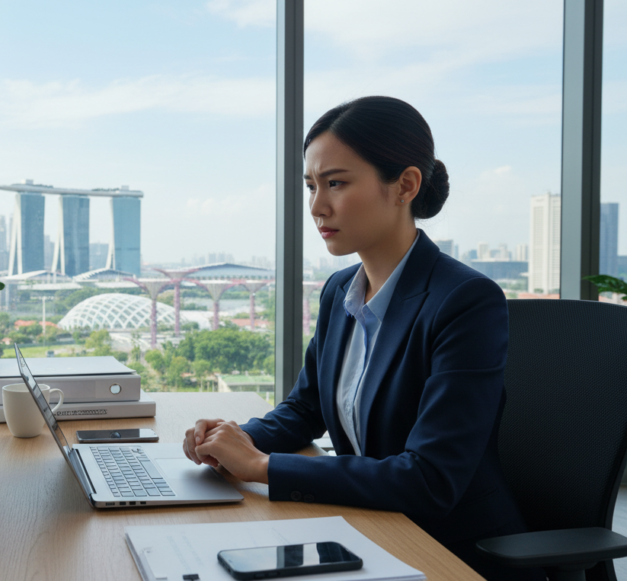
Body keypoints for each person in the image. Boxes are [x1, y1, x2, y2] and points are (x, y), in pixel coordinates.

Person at [182, 96, 541, 581]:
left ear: (405, 185)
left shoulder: (465, 300)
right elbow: (306, 408)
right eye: (311, 186)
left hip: (452, 550)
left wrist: (261, 466)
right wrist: (236, 439)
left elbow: (429, 480)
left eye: (336, 183)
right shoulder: (339, 291)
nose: (316, 206)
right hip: (368, 530)